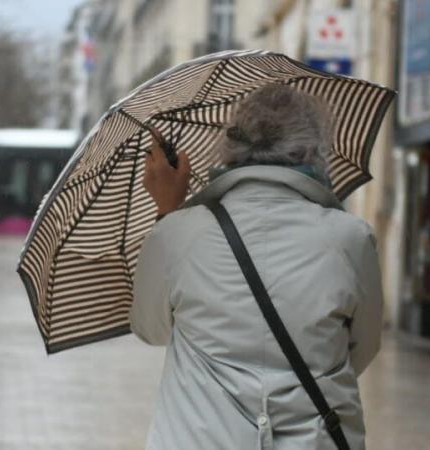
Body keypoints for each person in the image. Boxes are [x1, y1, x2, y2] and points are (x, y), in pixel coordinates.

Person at [130, 84, 384, 449]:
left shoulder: (177, 234)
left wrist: (168, 212)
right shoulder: (351, 238)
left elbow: (151, 328)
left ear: (231, 147)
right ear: (313, 149)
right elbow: (362, 348)